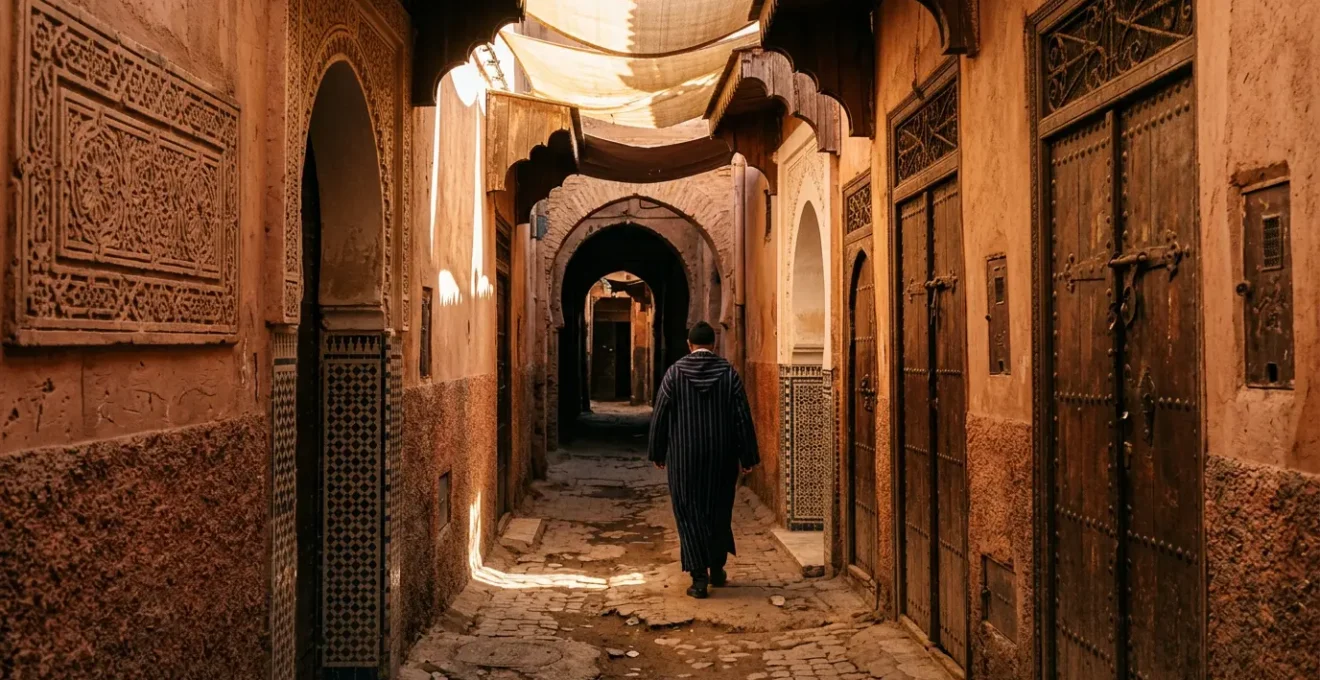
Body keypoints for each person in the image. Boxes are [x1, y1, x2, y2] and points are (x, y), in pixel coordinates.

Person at [647, 321, 759, 599]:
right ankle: (718, 568)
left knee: (689, 513)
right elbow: (742, 416)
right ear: (714, 344)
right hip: (722, 455)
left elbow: (660, 414)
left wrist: (658, 452)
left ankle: (699, 579)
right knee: (719, 511)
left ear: (689, 344)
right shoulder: (729, 374)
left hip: (684, 458)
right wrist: (747, 455)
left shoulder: (674, 374)